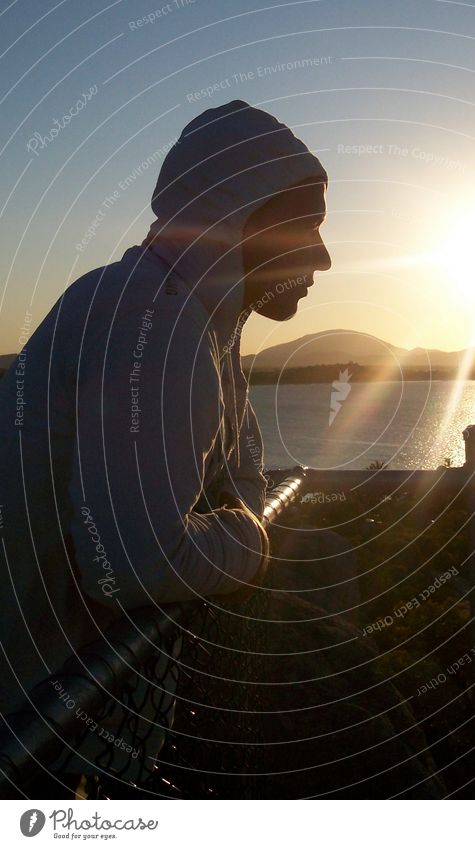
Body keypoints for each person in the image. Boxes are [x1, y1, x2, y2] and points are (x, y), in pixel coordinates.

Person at [0, 99, 331, 796]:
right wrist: (253, 543)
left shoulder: (186, 316)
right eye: (302, 225)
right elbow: (133, 560)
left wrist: (236, 515)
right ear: (234, 218)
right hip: (20, 721)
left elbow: (238, 469)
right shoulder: (157, 327)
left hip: (44, 708)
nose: (323, 257)